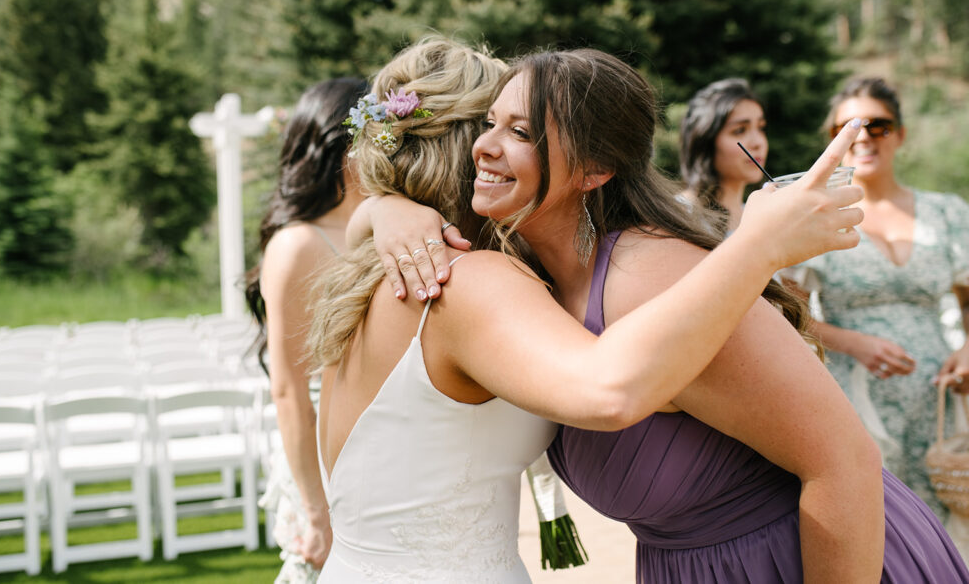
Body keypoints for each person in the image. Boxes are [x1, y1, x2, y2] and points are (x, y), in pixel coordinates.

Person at [367, 50, 969, 581]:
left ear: (594, 170)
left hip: (812, 560)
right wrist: (388, 207)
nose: (485, 145)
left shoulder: (651, 275)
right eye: (488, 124)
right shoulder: (526, 278)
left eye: (520, 131)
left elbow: (845, 464)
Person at [784, 77, 969, 529]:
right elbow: (790, 316)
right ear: (832, 140)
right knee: (878, 528)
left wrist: (967, 350)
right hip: (855, 400)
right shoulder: (819, 215)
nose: (863, 136)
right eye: (848, 127)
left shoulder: (947, 211)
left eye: (878, 125)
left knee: (947, 526)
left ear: (900, 134)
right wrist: (853, 342)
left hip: (941, 402)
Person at [243, 77, 368, 582]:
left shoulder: (382, 222)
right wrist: (317, 510)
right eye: (378, 135)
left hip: (377, 441)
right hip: (322, 454)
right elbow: (289, 390)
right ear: (339, 145)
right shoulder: (297, 243)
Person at [678, 78, 768, 232]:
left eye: (760, 128)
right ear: (705, 140)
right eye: (739, 130)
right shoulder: (678, 215)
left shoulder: (760, 216)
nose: (758, 142)